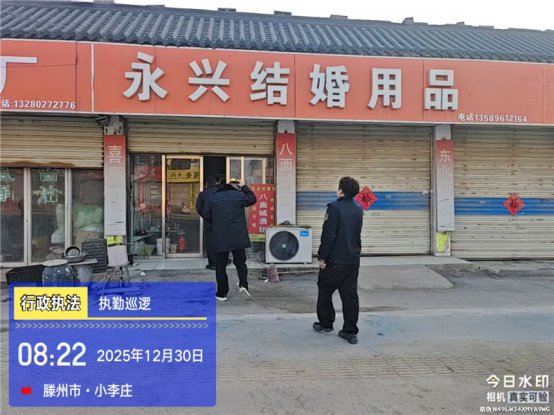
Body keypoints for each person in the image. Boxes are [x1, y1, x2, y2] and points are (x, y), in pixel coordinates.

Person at [313, 176, 363, 344]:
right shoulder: (358, 209)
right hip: (353, 260)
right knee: (350, 295)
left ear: (341, 191)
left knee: (325, 288)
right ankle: (350, 331)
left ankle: (326, 323)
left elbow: (329, 236)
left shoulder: (334, 208)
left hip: (335, 260)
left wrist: (322, 257)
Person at [202, 180, 257, 302]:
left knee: (220, 266)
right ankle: (243, 285)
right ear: (234, 188)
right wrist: (244, 187)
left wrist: (216, 223)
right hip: (238, 236)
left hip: (220, 236)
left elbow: (206, 214)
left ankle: (222, 293)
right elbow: (252, 199)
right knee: (240, 262)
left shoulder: (213, 198)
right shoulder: (239, 195)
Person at [195, 176, 220, 270]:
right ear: (215, 183)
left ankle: (212, 263)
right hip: (221, 221)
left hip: (209, 221)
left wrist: (205, 216)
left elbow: (198, 208)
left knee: (210, 242)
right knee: (221, 241)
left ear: (206, 184)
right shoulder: (220, 192)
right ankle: (221, 262)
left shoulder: (203, 194)